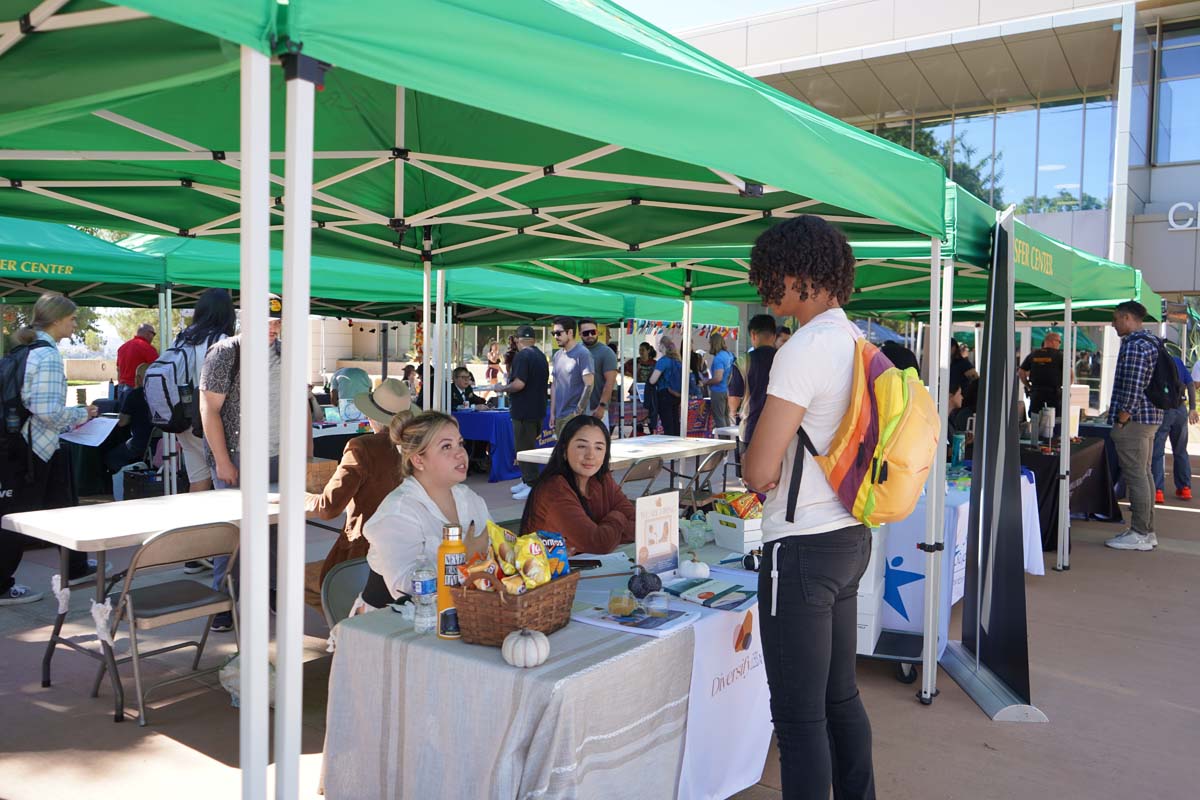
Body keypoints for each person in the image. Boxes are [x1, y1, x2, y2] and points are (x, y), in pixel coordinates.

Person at [742, 215, 875, 799]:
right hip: (850, 536)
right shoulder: (857, 341)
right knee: (839, 696)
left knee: (798, 721)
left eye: (772, 275)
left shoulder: (802, 350)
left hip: (800, 548)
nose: (768, 289)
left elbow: (759, 470)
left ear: (798, 275)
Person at [200, 296, 300, 630]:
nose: (273, 328)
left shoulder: (287, 352)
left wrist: (304, 456)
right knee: (234, 535)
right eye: (266, 322)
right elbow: (209, 409)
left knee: (277, 532)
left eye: (277, 322)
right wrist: (223, 461)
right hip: (239, 456)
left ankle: (271, 592)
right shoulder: (226, 352)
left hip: (278, 456)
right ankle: (224, 600)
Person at [0, 293, 100, 606]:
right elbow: (47, 411)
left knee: (62, 505)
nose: (74, 323)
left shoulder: (25, 349)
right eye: (71, 318)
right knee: (17, 519)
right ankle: (2, 585)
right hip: (33, 449)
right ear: (56, 319)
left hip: (30, 445)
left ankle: (77, 565)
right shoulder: (47, 355)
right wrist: (83, 414)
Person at [360, 412, 490, 609]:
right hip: (392, 621)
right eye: (446, 446)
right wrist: (464, 558)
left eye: (460, 443)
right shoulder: (398, 511)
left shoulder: (468, 498)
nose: (460, 453)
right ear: (418, 460)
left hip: (462, 610)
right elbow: (405, 591)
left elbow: (495, 546)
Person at [307, 378, 412, 588]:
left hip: (362, 557)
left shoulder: (362, 447)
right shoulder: (418, 446)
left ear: (371, 415)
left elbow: (328, 507)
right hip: (408, 552)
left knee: (300, 579)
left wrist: (297, 497)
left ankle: (341, 618)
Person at [519, 415, 635, 554]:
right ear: (564, 450)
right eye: (581, 446)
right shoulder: (555, 490)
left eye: (598, 448)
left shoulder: (602, 479)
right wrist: (617, 516)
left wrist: (607, 531)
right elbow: (600, 543)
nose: (590, 455)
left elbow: (639, 523)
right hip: (547, 572)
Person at [1105, 301, 1164, 552]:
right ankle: (1145, 530)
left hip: (1135, 420)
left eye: (1116, 319)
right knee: (1145, 473)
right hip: (1149, 418)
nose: (1113, 324)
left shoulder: (1135, 347)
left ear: (1127, 318)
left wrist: (1122, 418)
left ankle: (1141, 532)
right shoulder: (1152, 342)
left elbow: (1133, 386)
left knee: (1137, 475)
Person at [172, 288, 236, 494]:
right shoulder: (223, 341)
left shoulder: (181, 338)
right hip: (211, 423)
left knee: (198, 482)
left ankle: (193, 526)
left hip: (182, 419)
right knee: (227, 485)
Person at [495, 325, 548, 501]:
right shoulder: (541, 356)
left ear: (518, 340)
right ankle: (526, 480)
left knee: (524, 448)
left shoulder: (522, 356)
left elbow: (519, 384)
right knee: (528, 447)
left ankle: (531, 484)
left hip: (524, 411)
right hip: (538, 409)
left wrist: (502, 388)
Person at [1152, 354, 1197, 502]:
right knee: (1180, 450)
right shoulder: (1177, 361)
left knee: (1157, 451)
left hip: (1163, 410)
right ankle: (1185, 488)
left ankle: (1158, 490)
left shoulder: (1154, 361)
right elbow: (1190, 384)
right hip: (1180, 409)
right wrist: (1192, 408)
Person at [729, 313, 778, 447]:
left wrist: (734, 412)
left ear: (753, 335)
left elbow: (734, 397)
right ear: (774, 336)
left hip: (751, 427)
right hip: (780, 430)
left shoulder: (743, 361)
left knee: (750, 467)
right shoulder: (784, 359)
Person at [102, 363, 154, 473]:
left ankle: (123, 481)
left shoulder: (135, 394)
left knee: (110, 457)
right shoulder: (160, 393)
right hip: (157, 445)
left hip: (138, 445)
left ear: (138, 378)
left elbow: (122, 422)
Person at [549, 316, 594, 438]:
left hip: (574, 417)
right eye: (553, 333)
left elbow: (589, 385)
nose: (555, 337)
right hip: (559, 416)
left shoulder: (583, 353)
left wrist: (577, 412)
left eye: (558, 333)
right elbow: (554, 385)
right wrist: (552, 413)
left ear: (570, 332)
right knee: (562, 453)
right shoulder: (557, 355)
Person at [579, 319, 617, 425]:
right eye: (586, 333)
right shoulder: (576, 350)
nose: (590, 335)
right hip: (576, 409)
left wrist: (602, 407)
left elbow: (609, 383)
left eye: (593, 332)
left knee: (598, 441)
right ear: (580, 334)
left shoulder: (606, 352)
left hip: (596, 409)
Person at [1019, 330, 1066, 415]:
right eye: (1059, 341)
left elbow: (1021, 371)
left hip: (1037, 392)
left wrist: (1028, 386)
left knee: (1035, 418)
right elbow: (1070, 374)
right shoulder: (1060, 355)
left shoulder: (1033, 354)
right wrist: (1066, 387)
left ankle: (1034, 428)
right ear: (1052, 341)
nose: (1060, 344)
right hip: (1053, 394)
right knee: (1055, 419)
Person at [648, 336, 684, 436]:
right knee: (675, 422)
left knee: (667, 425)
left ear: (662, 346)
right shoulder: (678, 361)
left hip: (665, 394)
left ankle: (671, 446)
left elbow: (652, 380)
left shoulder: (663, 361)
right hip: (677, 394)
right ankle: (678, 445)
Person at [115, 322, 157, 399]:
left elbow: (118, 370)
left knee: (122, 411)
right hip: (136, 390)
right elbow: (157, 369)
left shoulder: (122, 348)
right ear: (148, 334)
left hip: (121, 388)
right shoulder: (148, 348)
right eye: (153, 334)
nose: (153, 337)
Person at [704, 332, 735, 429]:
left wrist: (706, 382)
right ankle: (728, 441)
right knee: (725, 417)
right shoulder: (729, 355)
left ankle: (723, 441)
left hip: (718, 391)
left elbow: (718, 378)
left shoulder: (718, 358)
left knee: (719, 418)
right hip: (727, 390)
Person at [630, 342, 658, 434]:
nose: (640, 352)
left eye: (643, 350)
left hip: (650, 391)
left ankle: (652, 431)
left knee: (651, 413)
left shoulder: (654, 363)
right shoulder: (635, 361)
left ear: (648, 350)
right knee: (636, 414)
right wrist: (633, 374)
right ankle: (638, 432)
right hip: (637, 391)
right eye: (639, 350)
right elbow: (622, 369)